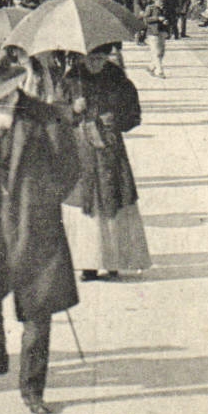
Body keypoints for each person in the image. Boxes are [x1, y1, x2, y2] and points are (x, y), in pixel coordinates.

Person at [0, 47, 80, 414]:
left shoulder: (46, 118)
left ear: (11, 92)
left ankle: (32, 388)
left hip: (34, 228)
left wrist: (41, 199)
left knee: (37, 311)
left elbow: (70, 169)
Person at [61, 46, 151, 280]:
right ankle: (88, 265)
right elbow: (56, 114)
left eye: (100, 58)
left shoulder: (118, 79)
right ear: (83, 56)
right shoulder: (71, 78)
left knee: (114, 200)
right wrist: (73, 109)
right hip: (81, 150)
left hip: (110, 151)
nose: (95, 63)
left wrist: (117, 119)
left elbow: (134, 114)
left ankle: (114, 261)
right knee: (85, 204)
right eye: (91, 58)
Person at [142, 1, 167, 78]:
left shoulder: (165, 8)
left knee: (161, 52)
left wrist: (166, 22)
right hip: (152, 32)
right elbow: (145, 19)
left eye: (163, 1)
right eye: (160, 1)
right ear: (155, 0)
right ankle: (159, 71)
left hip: (162, 32)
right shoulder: (150, 8)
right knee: (156, 52)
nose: (162, 3)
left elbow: (169, 17)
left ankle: (151, 67)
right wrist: (157, 18)